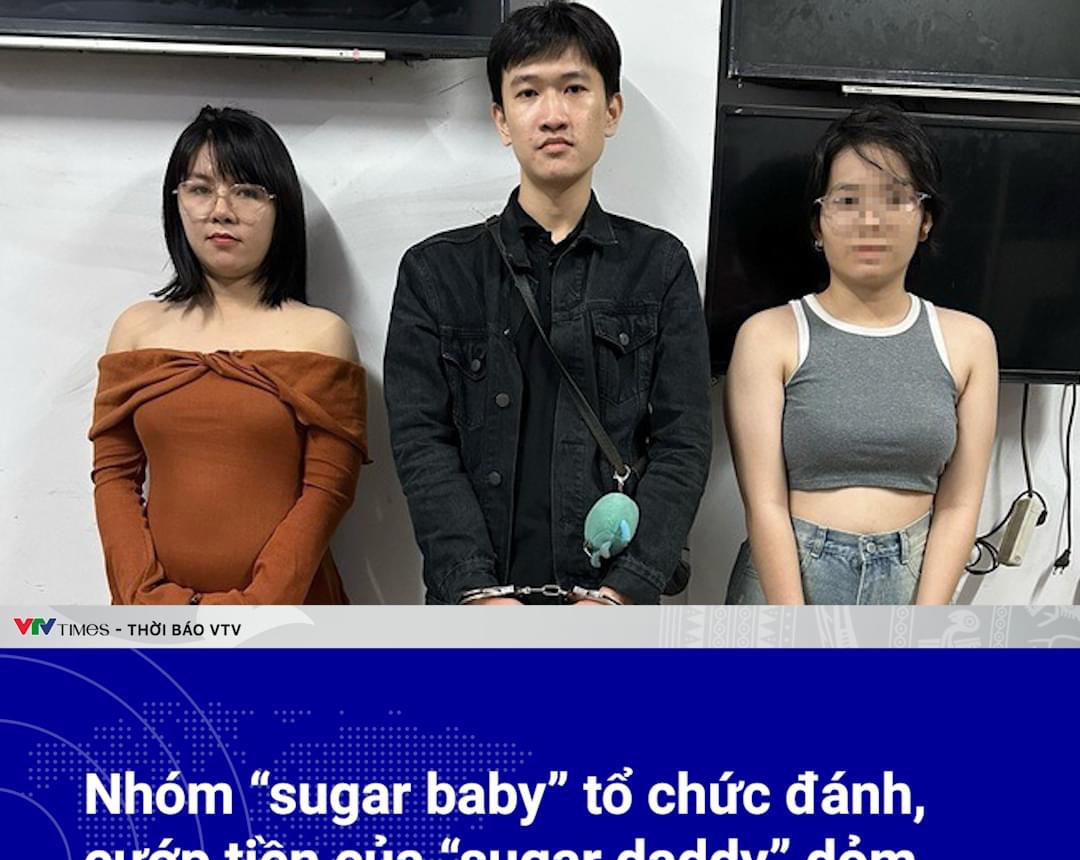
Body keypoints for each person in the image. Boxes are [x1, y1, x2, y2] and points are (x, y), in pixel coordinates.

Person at [384, 0, 711, 606]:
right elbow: (421, 444)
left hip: (608, 607)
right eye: (529, 92)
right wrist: (477, 589)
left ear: (611, 111)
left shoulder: (659, 266)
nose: (553, 114)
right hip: (476, 609)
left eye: (575, 89)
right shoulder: (435, 272)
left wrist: (623, 591)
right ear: (502, 119)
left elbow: (683, 443)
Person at [90, 105, 368, 605]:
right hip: (155, 625)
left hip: (292, 622)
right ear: (176, 202)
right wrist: (147, 599)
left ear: (281, 207)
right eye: (200, 189)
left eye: (247, 191)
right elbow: (114, 477)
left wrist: (250, 612)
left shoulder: (323, 336)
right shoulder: (135, 329)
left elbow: (328, 491)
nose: (221, 210)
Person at [724, 106, 998, 605]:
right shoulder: (768, 337)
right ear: (818, 223)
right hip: (788, 579)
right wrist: (795, 627)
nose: (871, 221)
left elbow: (960, 504)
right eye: (848, 200)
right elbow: (763, 503)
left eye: (895, 198)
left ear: (925, 220)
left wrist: (923, 626)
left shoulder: (969, 341)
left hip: (914, 582)